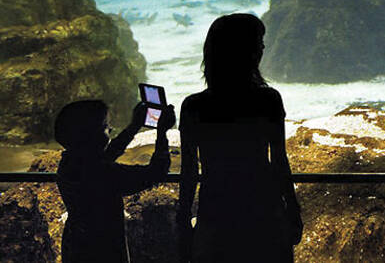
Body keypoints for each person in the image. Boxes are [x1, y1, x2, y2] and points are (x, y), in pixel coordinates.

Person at [178, 13, 302, 263]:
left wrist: (182, 220)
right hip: (263, 206)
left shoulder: (193, 106)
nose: (263, 47)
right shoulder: (268, 99)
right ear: (246, 50)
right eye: (258, 41)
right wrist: (293, 210)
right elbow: (279, 161)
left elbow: (189, 171)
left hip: (216, 207)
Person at [55, 99, 176, 262]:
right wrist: (162, 133)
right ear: (91, 135)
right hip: (104, 249)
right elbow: (155, 172)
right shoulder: (102, 173)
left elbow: (106, 155)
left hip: (76, 244)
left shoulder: (69, 163)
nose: (110, 129)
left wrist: (134, 126)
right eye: (105, 126)